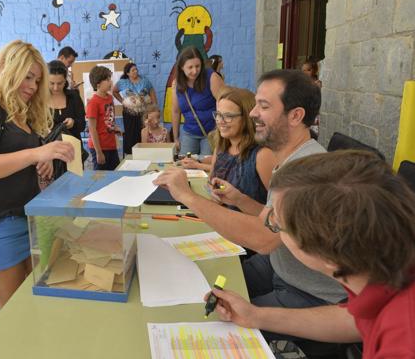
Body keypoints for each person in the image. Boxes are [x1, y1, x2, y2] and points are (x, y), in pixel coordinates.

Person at [155, 70, 346, 346]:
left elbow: (264, 238)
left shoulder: (306, 171)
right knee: (202, 288)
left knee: (214, 325)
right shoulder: (291, 158)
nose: (253, 113)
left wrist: (189, 197)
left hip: (309, 293)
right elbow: (272, 225)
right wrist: (239, 200)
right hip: (278, 267)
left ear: (295, 116)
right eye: (255, 104)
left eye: (264, 106)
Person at [211, 151, 415, 358]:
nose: (270, 222)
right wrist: (255, 316)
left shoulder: (403, 344)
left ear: (329, 256)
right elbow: (355, 319)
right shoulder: (385, 267)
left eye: (277, 225)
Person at [0, 40, 74, 306]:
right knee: (16, 310)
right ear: (8, 69)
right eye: (27, 77)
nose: (33, 86)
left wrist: (40, 163)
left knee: (36, 301)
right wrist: (35, 154)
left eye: (37, 80)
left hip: (29, 219)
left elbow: (16, 159)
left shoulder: (21, 113)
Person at [181, 87, 275, 212]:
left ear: (247, 118)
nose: (220, 121)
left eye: (228, 116)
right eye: (218, 115)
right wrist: (213, 192)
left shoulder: (263, 155)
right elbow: (212, 183)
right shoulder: (221, 148)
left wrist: (240, 201)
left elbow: (278, 215)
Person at [171, 46, 225, 157]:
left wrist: (221, 132)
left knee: (206, 165)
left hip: (211, 132)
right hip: (189, 132)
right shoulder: (177, 84)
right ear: (182, 67)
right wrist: (176, 137)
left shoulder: (212, 77)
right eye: (190, 67)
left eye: (197, 66)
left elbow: (224, 104)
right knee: (185, 164)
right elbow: (176, 111)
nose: (195, 71)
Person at [113, 63, 157, 155]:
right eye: (133, 70)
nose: (135, 71)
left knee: (142, 132)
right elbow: (114, 91)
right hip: (129, 114)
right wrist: (122, 101)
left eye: (136, 69)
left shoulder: (145, 81)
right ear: (127, 73)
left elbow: (152, 94)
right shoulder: (122, 82)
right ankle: (130, 154)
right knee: (130, 134)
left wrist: (154, 108)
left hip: (143, 113)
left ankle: (143, 153)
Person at [87, 66, 122, 170]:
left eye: (110, 78)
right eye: (107, 80)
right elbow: (92, 129)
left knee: (115, 174)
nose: (110, 82)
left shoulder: (110, 98)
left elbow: (109, 119)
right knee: (101, 178)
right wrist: (98, 152)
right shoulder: (93, 103)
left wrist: (115, 128)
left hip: (111, 145)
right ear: (98, 84)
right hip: (99, 147)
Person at [48, 60, 86, 141]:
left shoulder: (74, 96)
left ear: (65, 81)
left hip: (73, 149)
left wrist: (73, 123)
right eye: (51, 83)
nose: (55, 88)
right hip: (49, 150)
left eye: (59, 83)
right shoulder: (40, 100)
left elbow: (82, 125)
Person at [301, 59, 321, 138]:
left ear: (314, 71)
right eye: (303, 70)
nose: (305, 72)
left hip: (314, 113)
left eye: (308, 70)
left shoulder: (317, 84)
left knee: (313, 135)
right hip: (305, 113)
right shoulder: (302, 83)